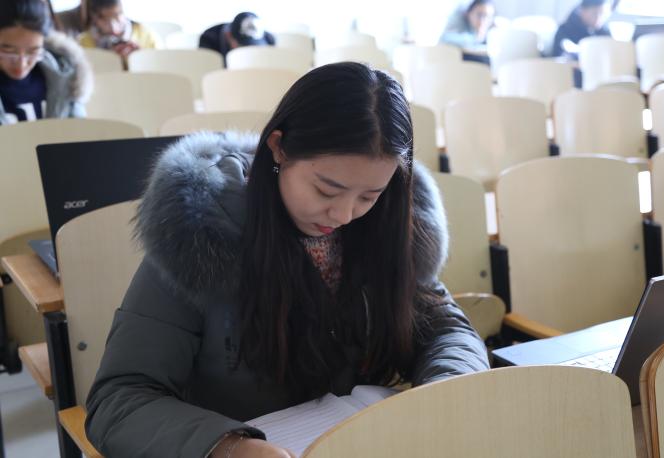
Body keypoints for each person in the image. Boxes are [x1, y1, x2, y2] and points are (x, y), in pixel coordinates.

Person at [85, 62, 489, 457]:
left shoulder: (384, 226)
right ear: (278, 147)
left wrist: (447, 393)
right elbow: (119, 401)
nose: (344, 214)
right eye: (326, 190)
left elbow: (448, 330)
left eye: (369, 196)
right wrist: (230, 447)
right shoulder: (201, 237)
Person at [0, 0, 92, 124]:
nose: (22, 64)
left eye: (32, 52)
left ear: (44, 44)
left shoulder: (65, 74)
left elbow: (80, 130)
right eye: (9, 52)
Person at [78, 0, 159, 60]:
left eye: (116, 16)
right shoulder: (84, 42)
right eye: (105, 20)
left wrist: (141, 56)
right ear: (94, 19)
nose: (113, 27)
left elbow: (158, 63)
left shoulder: (144, 33)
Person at [199, 11, 275, 60]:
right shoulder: (208, 39)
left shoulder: (269, 39)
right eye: (243, 45)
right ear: (228, 35)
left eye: (254, 46)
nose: (249, 51)